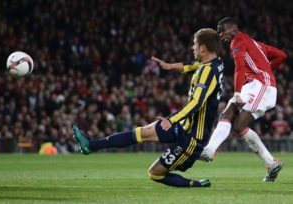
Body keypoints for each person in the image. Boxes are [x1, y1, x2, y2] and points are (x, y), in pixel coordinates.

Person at [72, 28, 224, 188]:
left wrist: (171, 121)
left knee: (155, 173)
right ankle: (91, 145)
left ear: (203, 48)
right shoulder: (215, 63)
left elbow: (196, 103)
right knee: (141, 133)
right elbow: (191, 66)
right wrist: (169, 66)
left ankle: (196, 182)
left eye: (194, 45)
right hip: (183, 126)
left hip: (193, 137)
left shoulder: (209, 71)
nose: (192, 48)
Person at [199, 17, 287, 182]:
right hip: (255, 84)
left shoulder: (237, 41)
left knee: (237, 123)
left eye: (223, 30)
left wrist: (238, 92)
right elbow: (281, 56)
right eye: (219, 33)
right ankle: (210, 150)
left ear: (232, 27)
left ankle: (210, 150)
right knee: (230, 118)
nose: (221, 35)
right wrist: (267, 69)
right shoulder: (256, 44)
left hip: (260, 85)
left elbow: (239, 67)